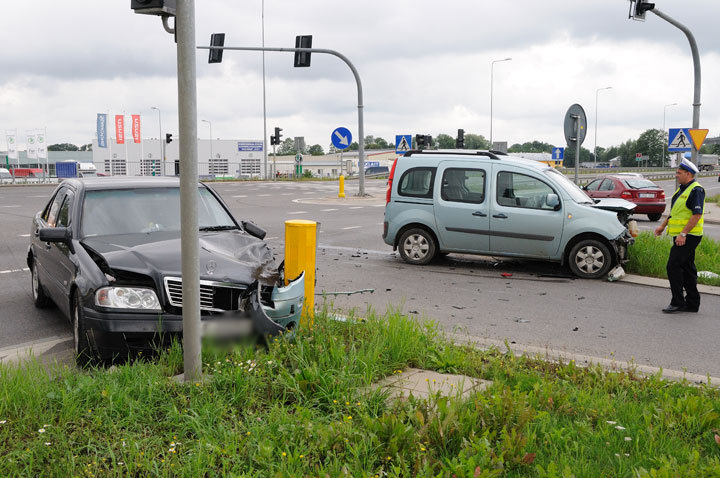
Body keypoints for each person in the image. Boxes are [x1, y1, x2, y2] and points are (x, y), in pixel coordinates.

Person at [654, 158, 705, 313]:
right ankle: (692, 303)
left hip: (689, 236)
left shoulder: (696, 190)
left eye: (679, 173)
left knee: (673, 265)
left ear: (688, 174)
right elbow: (675, 214)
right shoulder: (682, 189)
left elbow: (696, 215)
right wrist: (662, 226)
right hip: (683, 235)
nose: (676, 175)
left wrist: (683, 234)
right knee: (687, 268)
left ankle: (678, 301)